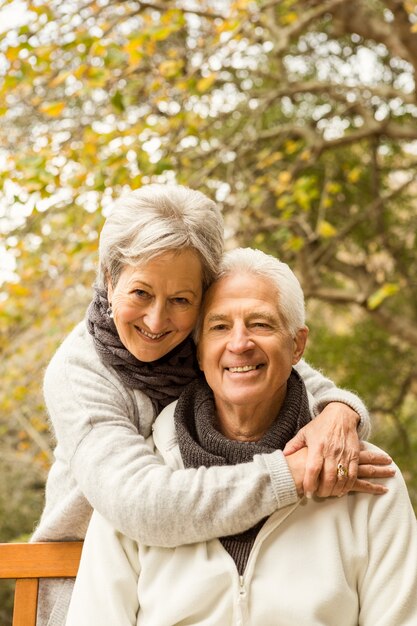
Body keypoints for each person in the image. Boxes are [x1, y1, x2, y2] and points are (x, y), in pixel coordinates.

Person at [33, 184, 384, 625]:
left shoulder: (208, 339)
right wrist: (287, 476)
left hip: (201, 560)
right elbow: (139, 506)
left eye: (180, 300)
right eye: (141, 293)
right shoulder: (78, 372)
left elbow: (290, 372)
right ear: (108, 278)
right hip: (91, 573)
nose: (157, 321)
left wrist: (340, 411)